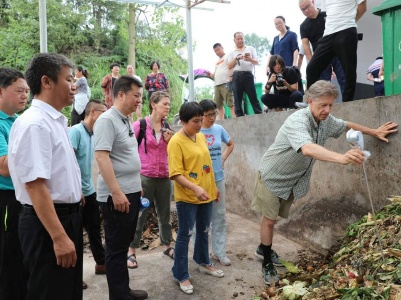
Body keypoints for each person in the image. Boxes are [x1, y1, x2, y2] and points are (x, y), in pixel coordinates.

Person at [252, 80, 397, 285]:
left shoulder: (325, 120)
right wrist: (341, 158)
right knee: (269, 220)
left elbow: (345, 124)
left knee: (274, 219)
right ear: (310, 101)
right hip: (272, 176)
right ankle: (266, 258)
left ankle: (263, 247)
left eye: (330, 105)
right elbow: (307, 148)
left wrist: (374, 131)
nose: (327, 110)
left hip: (292, 180)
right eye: (323, 105)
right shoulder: (298, 121)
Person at [8, 53, 83, 300]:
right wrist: (59, 236)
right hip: (47, 224)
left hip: (63, 217)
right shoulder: (34, 124)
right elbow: (35, 185)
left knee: (66, 290)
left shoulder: (55, 121)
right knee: (49, 291)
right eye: (68, 79)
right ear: (47, 82)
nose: (74, 86)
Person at [94, 75, 148, 300]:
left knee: (123, 244)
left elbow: (126, 156)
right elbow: (102, 157)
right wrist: (116, 192)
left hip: (130, 192)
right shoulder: (107, 120)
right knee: (116, 249)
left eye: (140, 97)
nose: (138, 101)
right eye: (136, 96)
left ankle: (123, 290)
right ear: (120, 94)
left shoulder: (125, 119)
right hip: (117, 196)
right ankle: (118, 295)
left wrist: (136, 186)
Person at [167, 102, 224, 295]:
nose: (200, 125)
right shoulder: (176, 142)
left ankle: (202, 262)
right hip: (188, 197)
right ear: (183, 121)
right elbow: (175, 173)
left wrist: (213, 186)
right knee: (185, 234)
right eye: (195, 121)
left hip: (206, 194)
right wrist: (195, 188)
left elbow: (207, 164)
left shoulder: (200, 137)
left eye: (201, 120)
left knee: (204, 230)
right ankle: (180, 274)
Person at [127, 91, 175, 268]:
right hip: (145, 177)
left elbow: (173, 152)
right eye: (165, 104)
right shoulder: (139, 125)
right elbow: (129, 150)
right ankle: (131, 250)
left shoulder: (167, 127)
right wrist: (134, 178)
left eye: (169, 104)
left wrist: (171, 142)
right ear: (153, 104)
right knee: (140, 215)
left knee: (165, 215)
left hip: (164, 177)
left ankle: (167, 246)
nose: (168, 107)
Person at [68, 100, 107, 289]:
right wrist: (76, 189)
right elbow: (68, 162)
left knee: (94, 229)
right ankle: (75, 276)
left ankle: (101, 263)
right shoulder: (75, 131)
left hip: (90, 191)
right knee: (75, 236)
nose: (105, 117)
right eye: (103, 112)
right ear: (92, 112)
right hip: (77, 193)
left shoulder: (94, 134)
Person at [0, 68, 29, 300]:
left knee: (22, 257)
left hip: (22, 198)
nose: (24, 96)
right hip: (6, 200)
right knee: (8, 258)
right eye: (19, 90)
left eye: (27, 91)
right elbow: (4, 167)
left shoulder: (18, 120)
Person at [306, 0, 367, 102]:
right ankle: (311, 101)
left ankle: (347, 102)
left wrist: (349, 20)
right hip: (328, 34)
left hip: (346, 30)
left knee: (348, 71)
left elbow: (363, 8)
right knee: (311, 68)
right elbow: (328, 12)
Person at [199, 99, 234, 266]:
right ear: (200, 115)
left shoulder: (219, 129)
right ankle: (202, 254)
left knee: (219, 216)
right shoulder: (196, 132)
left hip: (218, 178)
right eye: (208, 115)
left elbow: (230, 144)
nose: (212, 118)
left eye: (214, 114)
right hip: (200, 182)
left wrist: (223, 159)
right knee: (202, 218)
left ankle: (219, 252)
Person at [299, 0, 345, 98]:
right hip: (320, 56)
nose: (306, 10)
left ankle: (349, 102)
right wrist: (313, 62)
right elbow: (306, 46)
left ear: (313, 2)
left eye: (307, 7)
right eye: (303, 10)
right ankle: (323, 104)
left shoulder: (328, 15)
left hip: (337, 52)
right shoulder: (303, 26)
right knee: (323, 85)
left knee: (344, 78)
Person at [227, 32, 263, 117]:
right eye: (238, 39)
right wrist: (236, 58)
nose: (240, 40)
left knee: (252, 95)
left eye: (241, 38)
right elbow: (229, 66)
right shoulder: (232, 52)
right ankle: (239, 115)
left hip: (248, 75)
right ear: (234, 40)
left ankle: (259, 113)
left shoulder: (250, 48)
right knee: (237, 97)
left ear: (244, 39)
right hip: (237, 75)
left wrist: (250, 59)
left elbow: (257, 62)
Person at [212, 43, 236, 120]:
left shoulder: (228, 56)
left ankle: (234, 119)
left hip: (226, 82)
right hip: (217, 84)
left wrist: (231, 76)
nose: (217, 52)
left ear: (222, 48)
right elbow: (215, 73)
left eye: (218, 50)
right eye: (215, 51)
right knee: (218, 105)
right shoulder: (216, 62)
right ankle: (221, 120)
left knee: (230, 102)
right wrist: (210, 74)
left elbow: (231, 66)